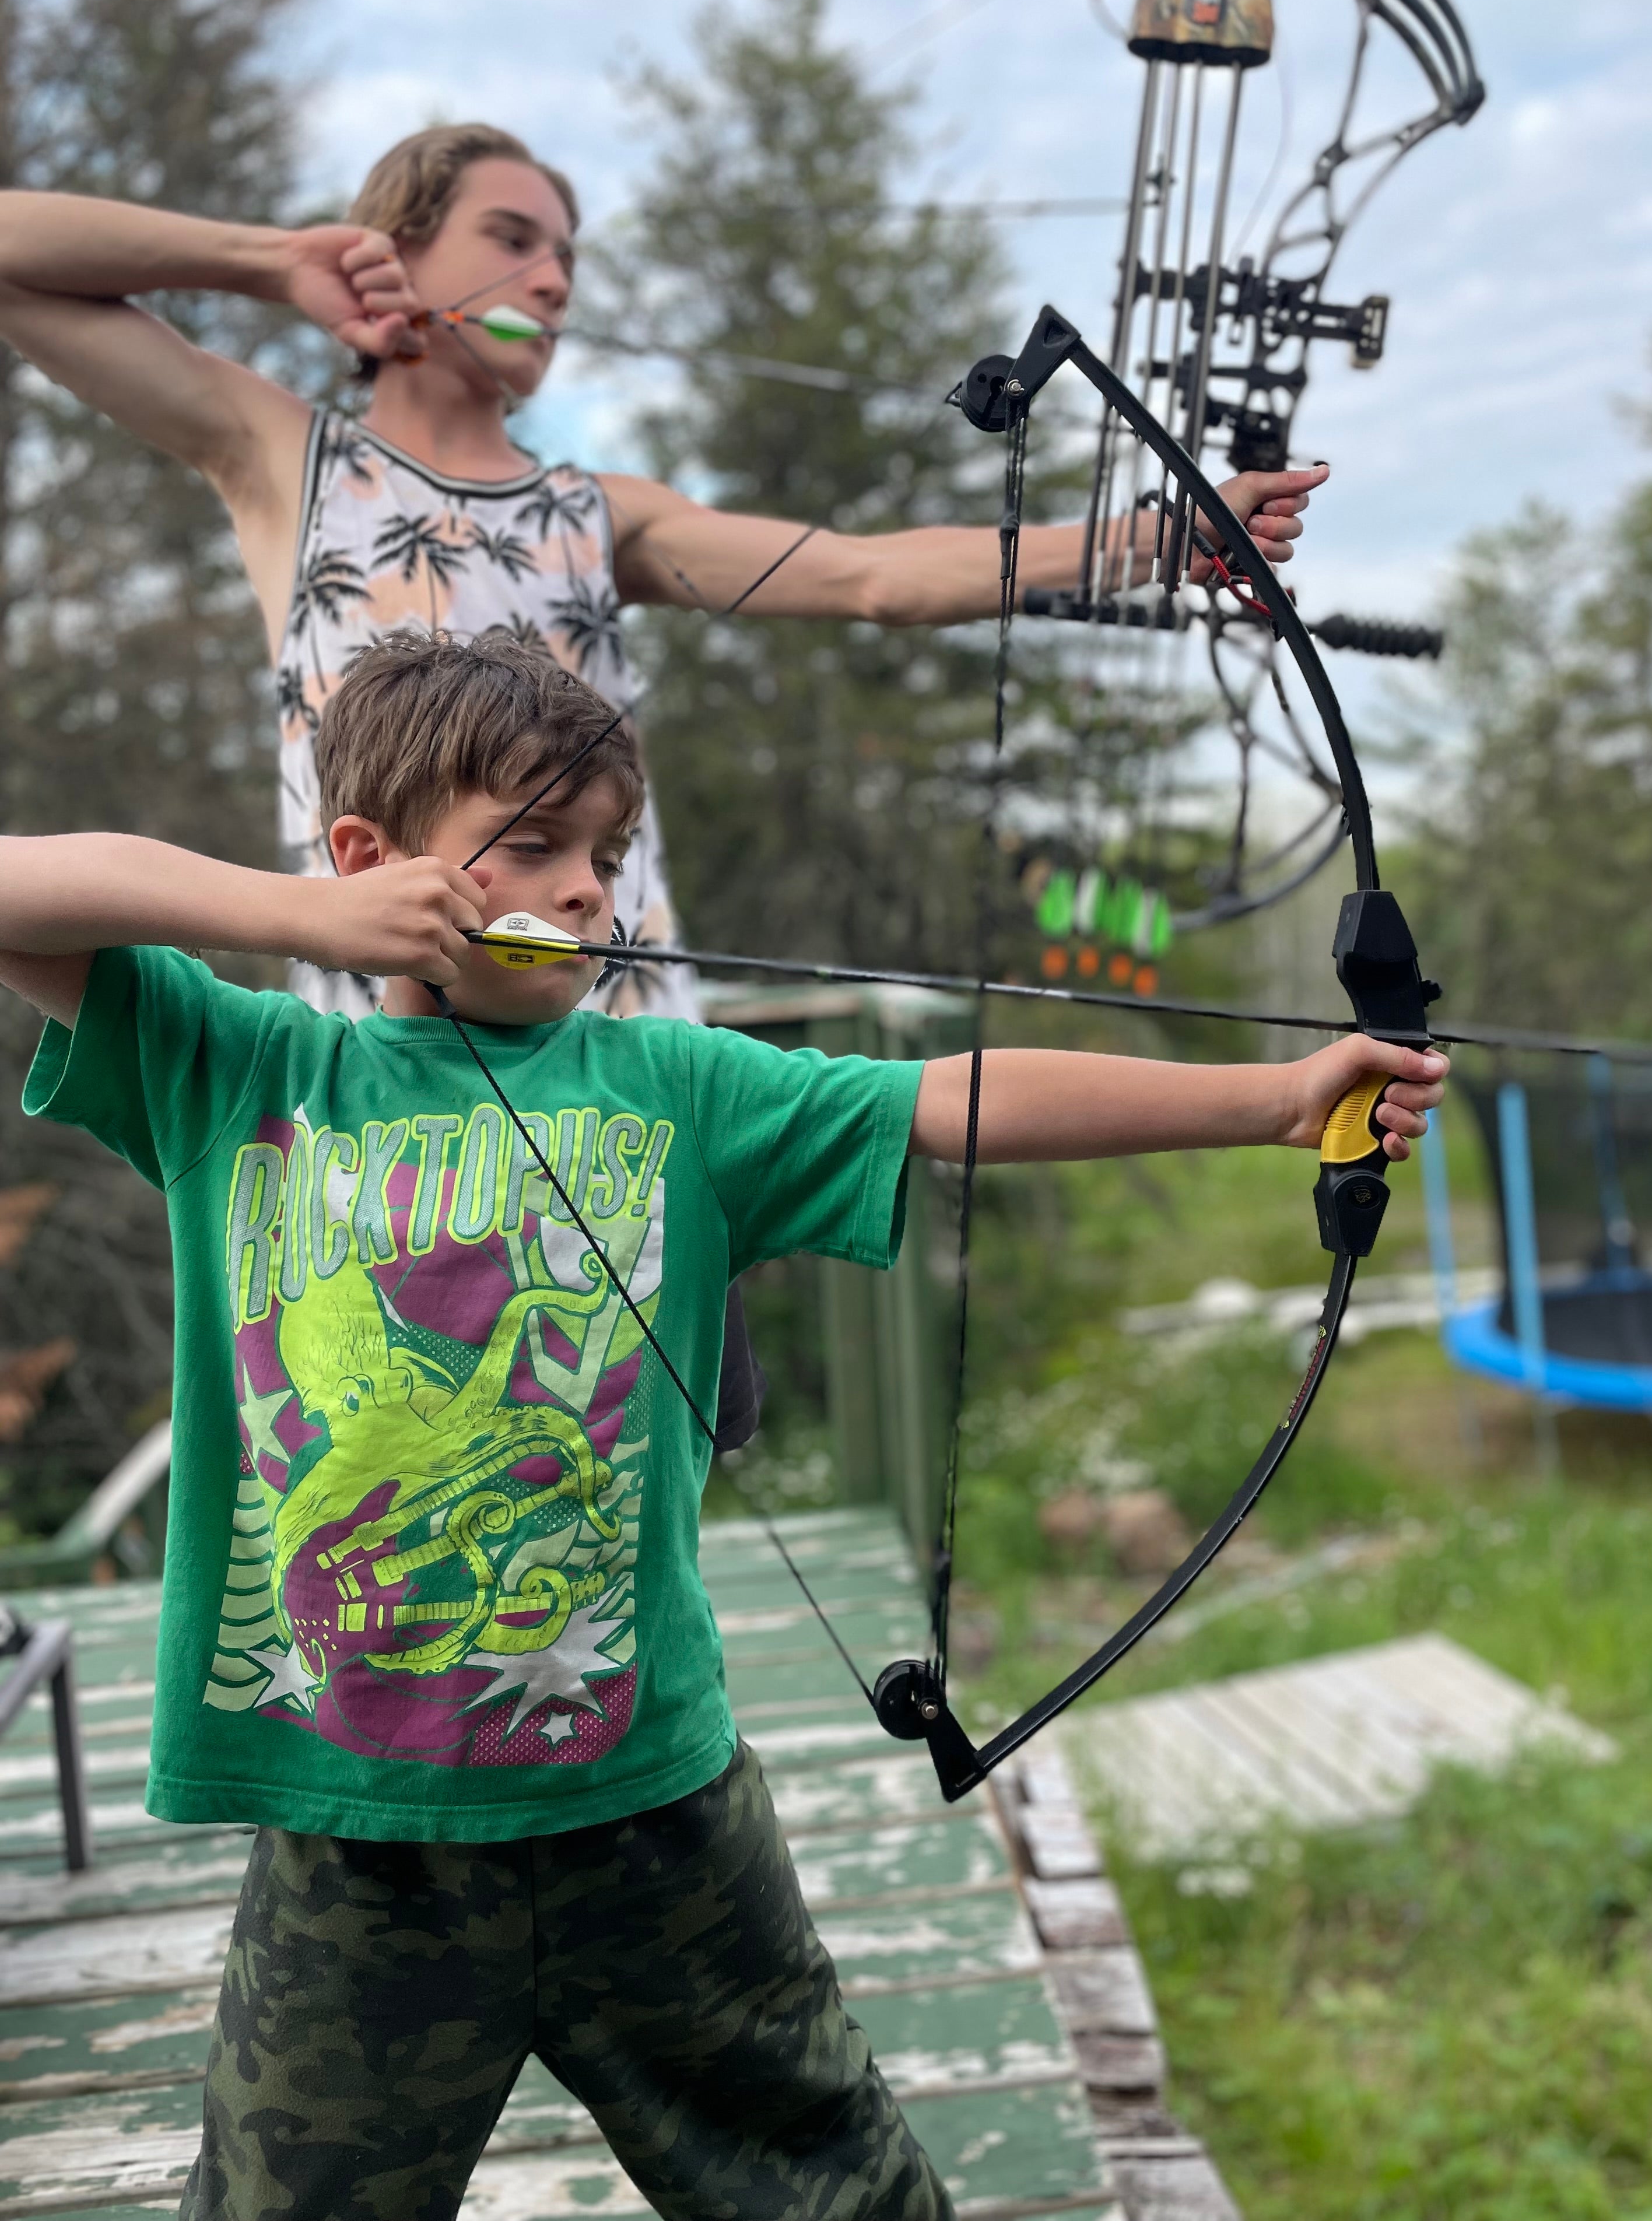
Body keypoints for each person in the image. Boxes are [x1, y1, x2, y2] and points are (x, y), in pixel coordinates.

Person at [0, 626, 1447, 2221]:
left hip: (656, 1821)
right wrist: (299, 920)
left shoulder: (678, 1085)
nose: (583, 896)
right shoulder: (240, 1071)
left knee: (835, 2194)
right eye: (532, 846)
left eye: (607, 858)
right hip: (361, 1845)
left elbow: (951, 1101)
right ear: (370, 858)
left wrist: (1269, 1100)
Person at [0, 121, 1331, 1026]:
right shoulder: (283, 454)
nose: (555, 280)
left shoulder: (596, 511)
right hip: (386, 1069)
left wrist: (1155, 538)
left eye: (569, 256)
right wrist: (268, 262)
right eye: (513, 238)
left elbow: (867, 577)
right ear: (396, 250)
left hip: (623, 1052)